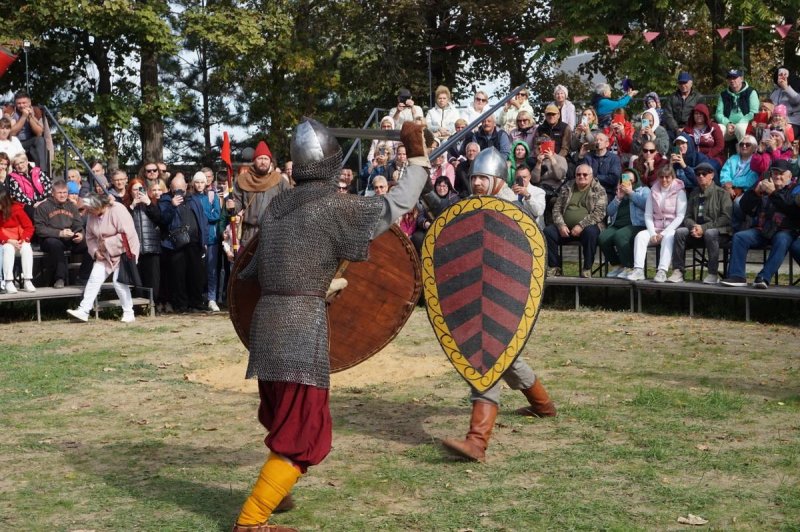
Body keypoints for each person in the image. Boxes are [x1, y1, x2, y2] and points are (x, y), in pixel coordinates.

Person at [230, 118, 432, 531]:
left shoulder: (277, 207)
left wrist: (320, 285)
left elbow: (252, 274)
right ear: (331, 164)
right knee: (304, 432)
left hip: (267, 329)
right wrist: (418, 161)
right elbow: (394, 206)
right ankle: (251, 521)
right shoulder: (335, 206)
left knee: (283, 418)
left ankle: (277, 492)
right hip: (301, 330)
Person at [442, 146, 556, 464]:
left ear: (497, 180)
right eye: (475, 177)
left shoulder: (512, 210)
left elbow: (527, 251)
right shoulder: (468, 209)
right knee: (506, 358)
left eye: (484, 178)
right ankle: (543, 405)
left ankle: (476, 441)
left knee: (485, 358)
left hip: (504, 297)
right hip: (475, 296)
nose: (477, 183)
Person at [721, 159, 800, 289]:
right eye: (775, 173)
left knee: (782, 239)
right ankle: (737, 276)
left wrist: (773, 193)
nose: (778, 176)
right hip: (763, 229)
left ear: (790, 176)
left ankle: (763, 277)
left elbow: (791, 208)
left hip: (786, 230)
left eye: (781, 173)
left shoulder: (795, 188)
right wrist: (755, 193)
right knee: (740, 237)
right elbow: (744, 207)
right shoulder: (765, 185)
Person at [66, 193, 140, 323]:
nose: (89, 212)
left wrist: (106, 244)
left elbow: (127, 234)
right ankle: (84, 310)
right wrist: (95, 252)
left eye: (91, 209)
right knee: (94, 278)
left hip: (124, 251)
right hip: (104, 253)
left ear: (100, 205)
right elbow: (90, 237)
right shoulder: (91, 215)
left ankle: (129, 312)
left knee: (119, 282)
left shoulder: (117, 209)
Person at [668, 162, 732, 284]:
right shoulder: (694, 193)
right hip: (697, 232)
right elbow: (687, 216)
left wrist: (704, 227)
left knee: (710, 233)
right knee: (680, 232)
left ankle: (713, 273)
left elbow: (726, 218)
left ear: (712, 175)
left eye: (704, 173)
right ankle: (678, 271)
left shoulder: (722, 193)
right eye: (698, 174)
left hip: (719, 233)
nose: (701, 176)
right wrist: (694, 227)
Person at [624, 165, 687, 282]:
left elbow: (680, 216)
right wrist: (652, 233)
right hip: (655, 227)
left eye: (667, 177)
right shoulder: (653, 190)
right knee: (640, 236)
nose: (664, 180)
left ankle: (662, 271)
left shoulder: (680, 191)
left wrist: (663, 233)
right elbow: (648, 214)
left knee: (669, 237)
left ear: (672, 177)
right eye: (661, 177)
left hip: (670, 228)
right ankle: (638, 270)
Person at [543, 163, 607, 277]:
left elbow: (599, 213)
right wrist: (561, 225)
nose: (581, 177)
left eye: (585, 174)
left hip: (587, 228)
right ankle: (555, 267)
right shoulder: (567, 187)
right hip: (565, 229)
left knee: (591, 232)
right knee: (548, 232)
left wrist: (581, 225)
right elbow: (556, 209)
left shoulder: (599, 190)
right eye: (578, 174)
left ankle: (587, 268)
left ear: (591, 176)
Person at [227, 141, 291, 248]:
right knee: (250, 264)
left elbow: (290, 201)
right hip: (250, 234)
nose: (263, 162)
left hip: (273, 232)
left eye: (266, 159)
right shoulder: (243, 180)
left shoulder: (278, 180)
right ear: (254, 160)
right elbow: (237, 203)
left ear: (270, 161)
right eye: (260, 158)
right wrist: (231, 207)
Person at [160, 174, 208, 314]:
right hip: (175, 244)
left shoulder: (194, 199)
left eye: (181, 188)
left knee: (197, 275)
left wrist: (203, 241)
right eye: (175, 189)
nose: (179, 191)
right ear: (170, 188)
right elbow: (163, 219)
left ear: (186, 186)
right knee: (178, 276)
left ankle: (197, 303)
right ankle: (181, 305)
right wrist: (172, 205)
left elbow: (202, 220)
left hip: (194, 242)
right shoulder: (166, 200)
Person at [34, 180, 92, 288]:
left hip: (69, 238)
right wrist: (59, 233)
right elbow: (39, 229)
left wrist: (80, 234)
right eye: (59, 193)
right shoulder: (43, 207)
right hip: (50, 239)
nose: (63, 195)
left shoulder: (71, 206)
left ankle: (83, 277)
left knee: (90, 246)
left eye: (65, 192)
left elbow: (78, 224)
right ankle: (60, 278)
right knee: (55, 245)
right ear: (53, 193)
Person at [599, 169, 649, 278]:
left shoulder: (643, 190)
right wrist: (618, 198)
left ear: (636, 181)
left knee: (620, 236)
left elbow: (647, 205)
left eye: (631, 181)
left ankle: (629, 266)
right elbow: (609, 212)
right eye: (625, 180)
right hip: (617, 225)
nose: (628, 183)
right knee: (603, 237)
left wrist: (631, 193)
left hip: (637, 225)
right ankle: (618, 265)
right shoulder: (619, 193)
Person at [126, 178, 163, 307]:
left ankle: (153, 304)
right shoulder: (127, 206)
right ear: (130, 192)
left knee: (153, 279)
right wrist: (132, 206)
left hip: (151, 246)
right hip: (134, 249)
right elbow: (123, 223)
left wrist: (148, 203)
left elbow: (160, 218)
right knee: (138, 279)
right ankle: (139, 305)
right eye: (134, 189)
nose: (137, 192)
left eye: (140, 189)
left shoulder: (152, 203)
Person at [190, 171, 222, 311]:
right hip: (196, 239)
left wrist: (202, 213)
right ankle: (199, 297)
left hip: (211, 238)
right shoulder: (190, 198)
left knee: (212, 270)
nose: (199, 185)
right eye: (197, 182)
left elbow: (216, 215)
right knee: (198, 271)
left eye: (202, 182)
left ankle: (212, 298)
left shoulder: (211, 196)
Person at [0, 187, 35, 294]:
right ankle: (9, 281)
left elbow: (29, 227)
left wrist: (24, 240)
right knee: (8, 249)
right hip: (5, 242)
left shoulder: (17, 209)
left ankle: (27, 280)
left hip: (19, 241)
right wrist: (7, 240)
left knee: (27, 248)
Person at [3, 91, 48, 170]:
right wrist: (24, 117)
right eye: (19, 103)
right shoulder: (10, 111)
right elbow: (11, 133)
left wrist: (30, 117)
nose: (22, 105)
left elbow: (39, 133)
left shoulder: (36, 111)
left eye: (24, 103)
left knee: (40, 140)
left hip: (29, 142)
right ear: (15, 104)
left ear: (29, 102)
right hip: (14, 142)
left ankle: (42, 172)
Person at [715, 69, 759, 143]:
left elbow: (754, 113)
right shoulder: (723, 95)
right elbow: (718, 114)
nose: (732, 81)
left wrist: (740, 123)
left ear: (741, 79)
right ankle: (720, 153)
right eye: (729, 78)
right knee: (718, 128)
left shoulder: (751, 92)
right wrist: (728, 123)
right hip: (729, 127)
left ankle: (744, 153)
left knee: (739, 128)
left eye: (734, 78)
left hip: (745, 125)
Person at [6, 152, 53, 221]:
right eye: (17, 164)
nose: (20, 166)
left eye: (22, 162)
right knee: (37, 214)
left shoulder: (37, 171)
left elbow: (48, 185)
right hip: (30, 205)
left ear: (27, 161)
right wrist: (34, 204)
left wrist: (44, 200)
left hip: (44, 200)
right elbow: (19, 196)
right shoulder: (14, 178)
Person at [579, 132, 621, 200]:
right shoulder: (588, 157)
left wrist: (593, 177)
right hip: (589, 192)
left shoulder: (614, 158)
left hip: (607, 193)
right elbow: (581, 175)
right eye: (596, 140)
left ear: (607, 144)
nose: (598, 142)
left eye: (601, 140)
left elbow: (613, 179)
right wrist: (581, 156)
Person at [662, 72, 702, 137]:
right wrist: (676, 129)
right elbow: (668, 115)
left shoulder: (698, 98)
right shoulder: (671, 98)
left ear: (691, 83)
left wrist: (686, 128)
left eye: (685, 82)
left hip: (692, 128)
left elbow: (701, 116)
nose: (682, 85)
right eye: (680, 83)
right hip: (674, 129)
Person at [769, 66, 800, 140]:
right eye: (780, 74)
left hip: (792, 122)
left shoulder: (797, 86)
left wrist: (786, 88)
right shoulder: (775, 91)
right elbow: (771, 106)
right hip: (775, 121)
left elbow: (797, 100)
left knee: (779, 134)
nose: (782, 77)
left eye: (784, 74)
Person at [510, 164, 546, 228]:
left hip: (533, 229)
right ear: (515, 177)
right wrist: (510, 194)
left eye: (524, 177)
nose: (522, 179)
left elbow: (538, 212)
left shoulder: (539, 192)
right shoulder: (510, 191)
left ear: (529, 177)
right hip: (514, 227)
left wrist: (527, 195)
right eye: (519, 177)